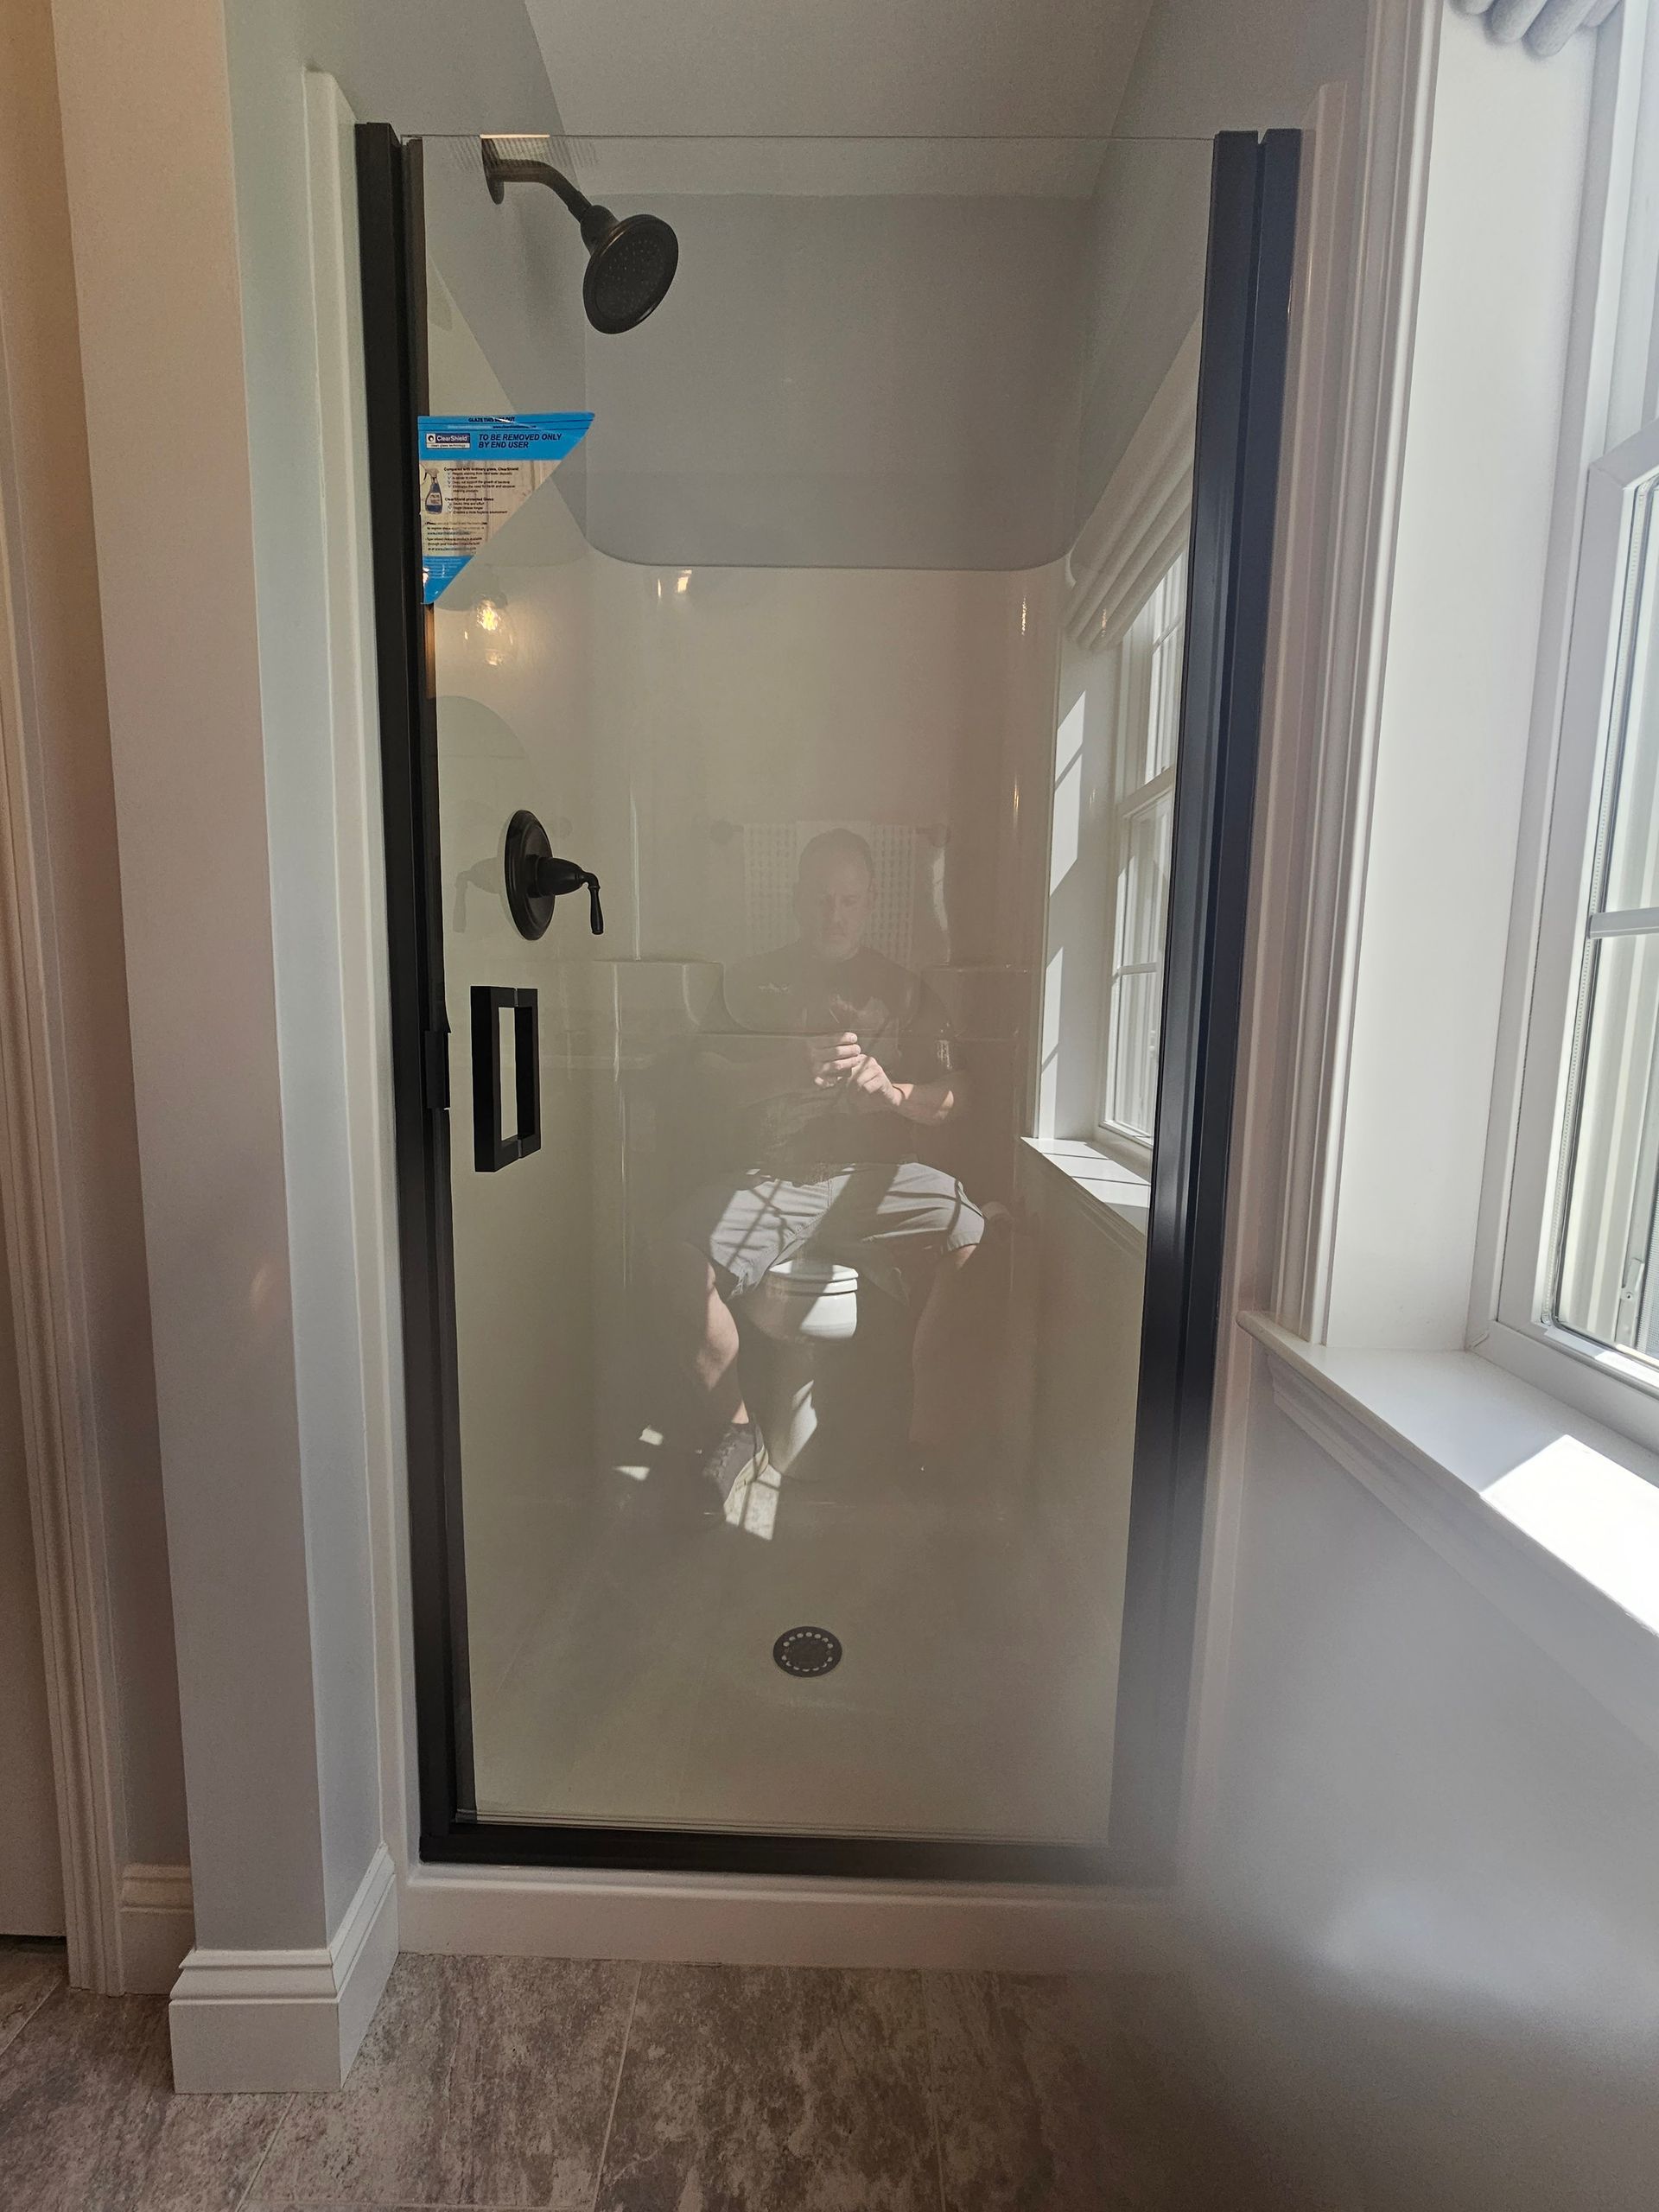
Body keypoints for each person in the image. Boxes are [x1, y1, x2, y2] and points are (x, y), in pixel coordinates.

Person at [661, 827, 985, 1522]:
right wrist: (781, 1070)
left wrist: (896, 1095)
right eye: (819, 900)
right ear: (795, 900)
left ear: (870, 904)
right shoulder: (749, 983)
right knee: (674, 1259)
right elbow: (701, 1086)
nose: (833, 915)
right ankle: (740, 1432)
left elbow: (960, 1096)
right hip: (771, 1178)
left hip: (880, 1179)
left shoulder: (902, 990)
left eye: (848, 900)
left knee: (974, 1233)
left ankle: (922, 1434)